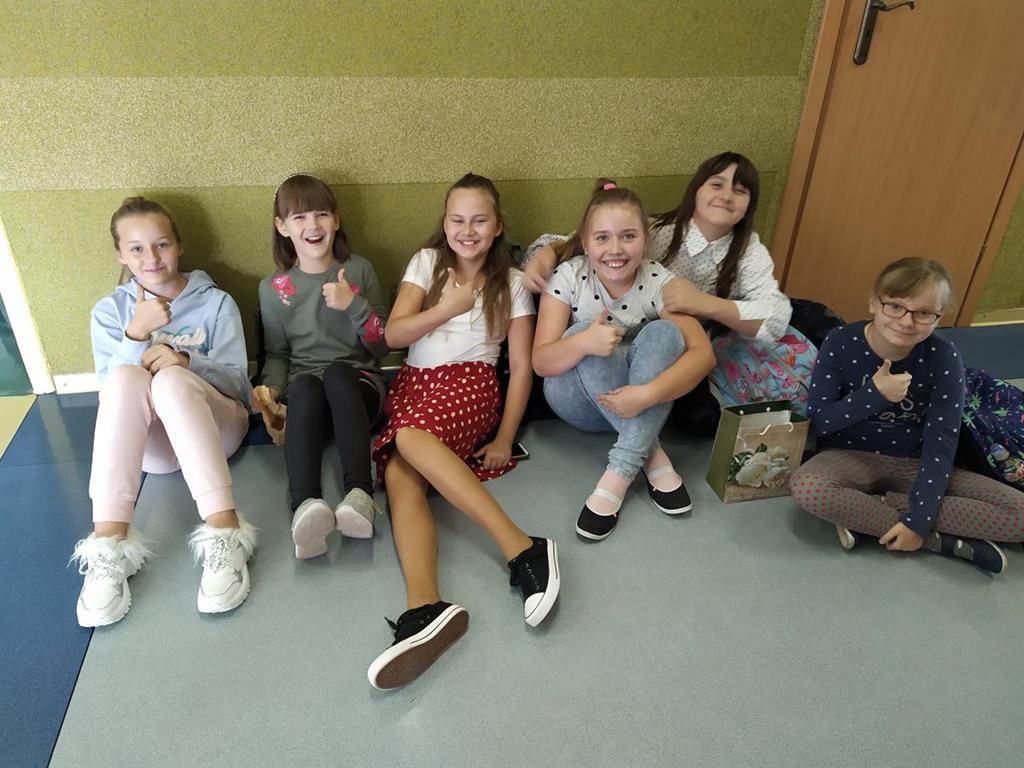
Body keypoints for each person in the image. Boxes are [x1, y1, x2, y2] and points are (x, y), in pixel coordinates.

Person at [367, 173, 560, 689]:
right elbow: (394, 334)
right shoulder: (426, 263)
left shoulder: (512, 282)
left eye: (479, 220)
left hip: (471, 385)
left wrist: (504, 437)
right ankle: (424, 608)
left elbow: (522, 367)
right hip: (414, 384)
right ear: (445, 222)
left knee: (407, 439)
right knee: (399, 474)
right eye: (457, 220)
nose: (467, 230)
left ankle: (523, 547)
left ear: (497, 226)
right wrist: (448, 307)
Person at [72, 197, 255, 627]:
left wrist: (187, 362)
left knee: (171, 380)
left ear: (179, 246)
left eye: (161, 244)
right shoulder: (109, 312)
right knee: (124, 378)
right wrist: (135, 333)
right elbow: (111, 396)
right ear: (120, 254)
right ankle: (109, 544)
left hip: (218, 431)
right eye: (136, 248)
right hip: (153, 451)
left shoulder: (216, 303)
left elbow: (240, 387)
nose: (151, 258)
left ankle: (225, 532)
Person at [522, 152, 792, 434]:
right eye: (717, 184)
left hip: (665, 354)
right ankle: (644, 445)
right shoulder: (657, 231)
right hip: (598, 363)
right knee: (592, 337)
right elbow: (589, 237)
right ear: (696, 189)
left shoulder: (748, 252)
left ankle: (638, 435)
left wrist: (704, 303)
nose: (726, 196)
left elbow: (775, 317)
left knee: (673, 353)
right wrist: (548, 252)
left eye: (739, 190)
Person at [790, 258, 1024, 573]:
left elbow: (941, 443)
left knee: (1019, 514)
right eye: (895, 307)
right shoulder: (841, 341)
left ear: (939, 315)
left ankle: (870, 514)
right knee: (809, 489)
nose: (906, 321)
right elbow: (819, 422)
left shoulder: (944, 357)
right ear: (874, 303)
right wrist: (874, 395)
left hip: (916, 464)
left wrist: (919, 520)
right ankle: (940, 542)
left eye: (923, 313)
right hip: (847, 457)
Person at [532, 180, 715, 540]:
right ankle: (651, 453)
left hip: (641, 403)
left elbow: (703, 355)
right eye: (602, 238)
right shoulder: (569, 276)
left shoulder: (659, 280)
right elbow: (541, 362)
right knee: (583, 333)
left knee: (666, 333)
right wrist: (584, 342)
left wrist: (647, 395)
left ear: (645, 240)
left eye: (628, 236)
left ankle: (618, 473)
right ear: (586, 243)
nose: (615, 249)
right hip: (579, 402)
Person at [255, 174, 389, 559]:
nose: (312, 225)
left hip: (359, 393)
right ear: (282, 227)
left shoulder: (358, 271)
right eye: (299, 217)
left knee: (336, 373)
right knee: (305, 385)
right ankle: (304, 506)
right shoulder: (273, 289)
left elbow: (381, 345)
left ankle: (359, 494)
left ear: (336, 219)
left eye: (321, 214)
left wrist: (353, 306)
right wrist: (271, 389)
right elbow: (277, 354)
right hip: (309, 404)